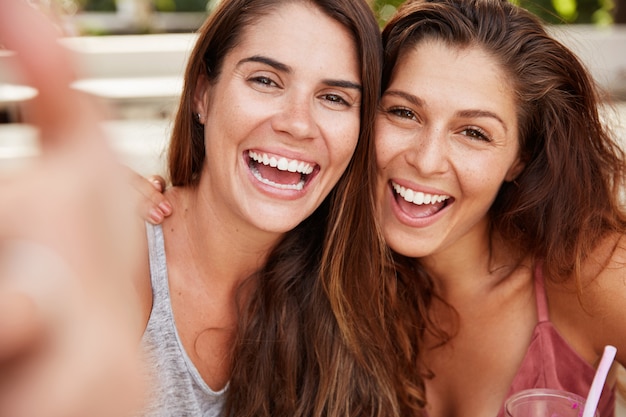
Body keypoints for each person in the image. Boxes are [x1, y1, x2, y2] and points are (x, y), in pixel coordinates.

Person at [1, 0, 425, 416]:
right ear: (203, 94)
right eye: (265, 80)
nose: (297, 123)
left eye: (334, 98)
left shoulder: (361, 299)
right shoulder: (113, 259)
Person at [375, 0, 626, 416]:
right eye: (404, 112)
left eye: (474, 132)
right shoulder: (330, 281)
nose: (426, 159)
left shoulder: (589, 275)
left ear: (519, 158)